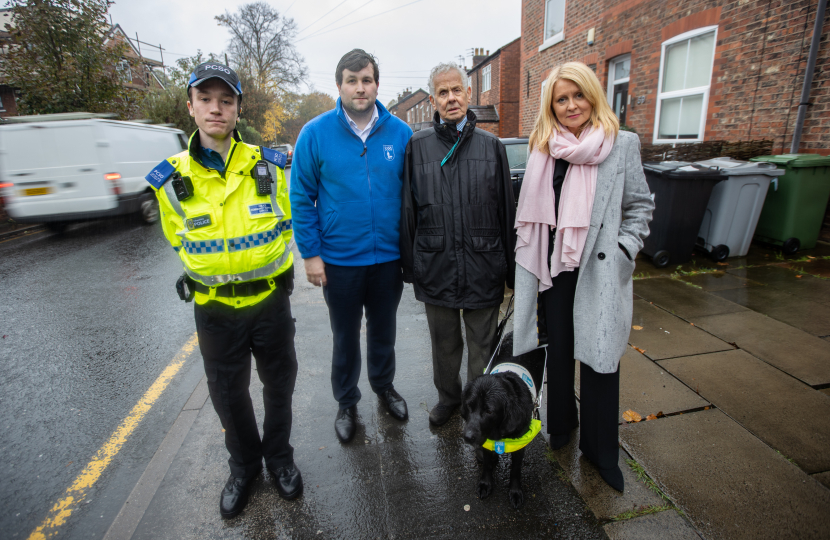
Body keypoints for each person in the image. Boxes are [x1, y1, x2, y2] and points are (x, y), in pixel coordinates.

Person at [145, 62, 302, 519]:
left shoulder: (269, 166)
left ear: (237, 108)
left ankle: (280, 459)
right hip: (215, 311)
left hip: (270, 302)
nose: (216, 108)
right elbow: (178, 239)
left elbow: (292, 221)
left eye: (226, 100)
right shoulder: (168, 178)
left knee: (279, 387)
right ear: (190, 106)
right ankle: (245, 467)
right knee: (228, 395)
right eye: (206, 99)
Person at [512, 62, 654, 492]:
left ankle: (601, 451)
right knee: (558, 351)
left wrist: (626, 251)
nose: (571, 105)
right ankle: (561, 426)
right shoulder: (543, 147)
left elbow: (640, 208)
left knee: (599, 362)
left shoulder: (621, 144)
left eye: (579, 95)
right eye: (561, 98)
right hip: (554, 270)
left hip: (598, 269)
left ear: (593, 95)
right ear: (550, 106)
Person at [290, 49, 413, 444]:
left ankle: (384, 387)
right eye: (352, 80)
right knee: (344, 336)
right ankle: (346, 401)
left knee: (383, 331)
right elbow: (301, 197)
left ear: (377, 84)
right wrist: (311, 254)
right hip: (339, 262)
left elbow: (413, 195)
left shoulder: (400, 132)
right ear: (339, 85)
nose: (360, 88)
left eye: (367, 80)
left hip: (388, 259)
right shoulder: (315, 133)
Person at [401, 62, 516, 427]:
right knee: (444, 346)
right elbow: (408, 210)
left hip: (484, 264)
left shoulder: (492, 146)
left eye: (457, 90)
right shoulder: (417, 147)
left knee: (482, 347)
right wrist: (410, 266)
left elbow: (505, 212)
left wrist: (511, 267)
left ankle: (477, 408)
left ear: (469, 94)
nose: (451, 98)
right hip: (436, 265)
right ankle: (448, 399)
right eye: (443, 92)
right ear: (434, 100)